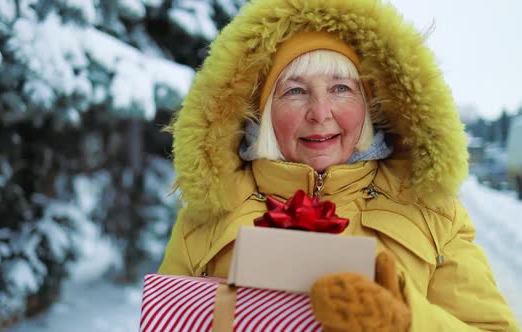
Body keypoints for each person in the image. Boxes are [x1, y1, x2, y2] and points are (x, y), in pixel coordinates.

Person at [158, 0, 519, 330]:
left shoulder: (433, 213)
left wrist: (406, 320)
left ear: (368, 107)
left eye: (341, 89)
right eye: (295, 91)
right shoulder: (206, 219)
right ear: (265, 113)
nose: (320, 113)